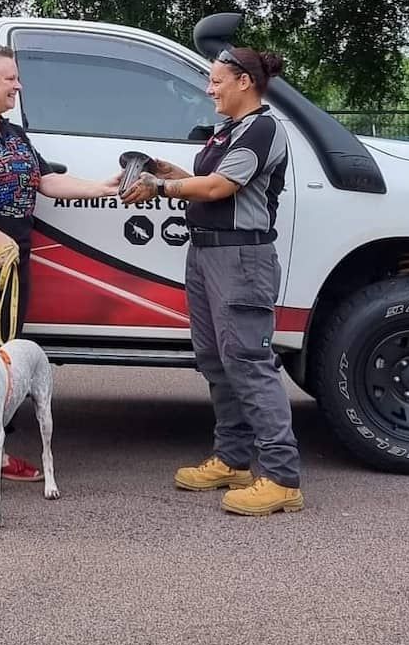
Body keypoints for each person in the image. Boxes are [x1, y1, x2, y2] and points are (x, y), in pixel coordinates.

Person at [0, 43, 120, 503]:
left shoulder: (13, 134)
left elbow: (44, 181)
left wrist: (101, 187)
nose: (18, 85)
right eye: (10, 77)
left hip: (11, 266)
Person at [121, 46, 303, 516]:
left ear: (244, 82)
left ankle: (282, 478)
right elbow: (210, 180)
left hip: (240, 258)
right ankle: (233, 459)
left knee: (247, 359)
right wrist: (171, 172)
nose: (209, 89)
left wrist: (161, 188)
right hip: (207, 254)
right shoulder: (232, 132)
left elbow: (223, 187)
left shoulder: (263, 128)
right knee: (215, 360)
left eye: (217, 81)